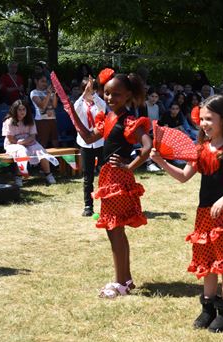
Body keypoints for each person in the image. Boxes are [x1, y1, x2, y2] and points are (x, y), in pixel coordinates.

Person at [150, 95, 223, 332]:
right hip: (203, 214)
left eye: (210, 119)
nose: (204, 124)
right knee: (208, 262)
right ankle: (208, 308)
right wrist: (162, 162)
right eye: (202, 119)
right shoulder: (200, 149)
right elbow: (183, 177)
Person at [67, 69, 152, 298]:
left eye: (116, 94)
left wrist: (129, 166)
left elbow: (147, 147)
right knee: (115, 232)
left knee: (115, 231)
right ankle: (125, 280)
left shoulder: (130, 121)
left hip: (117, 180)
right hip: (108, 178)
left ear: (128, 96)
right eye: (106, 93)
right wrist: (72, 113)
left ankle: (120, 283)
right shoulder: (108, 117)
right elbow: (87, 138)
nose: (110, 98)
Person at [2, 100, 56, 186]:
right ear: (15, 110)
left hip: (28, 141)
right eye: (19, 109)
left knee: (40, 150)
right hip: (13, 144)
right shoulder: (9, 121)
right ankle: (19, 176)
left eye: (24, 109)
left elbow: (32, 136)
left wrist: (25, 141)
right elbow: (10, 138)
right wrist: (21, 143)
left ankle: (48, 174)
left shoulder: (30, 120)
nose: (22, 112)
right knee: (22, 151)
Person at [74, 77, 106, 216]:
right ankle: (88, 205)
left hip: (100, 142)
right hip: (85, 143)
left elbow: (102, 108)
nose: (90, 92)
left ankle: (107, 204)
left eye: (93, 90)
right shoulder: (80, 104)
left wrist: (93, 94)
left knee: (105, 175)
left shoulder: (99, 103)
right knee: (88, 176)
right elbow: (75, 109)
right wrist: (84, 94)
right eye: (87, 89)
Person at [30, 72, 59, 148]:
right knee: (43, 143)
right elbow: (42, 106)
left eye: (46, 81)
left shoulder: (49, 91)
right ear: (36, 81)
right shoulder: (34, 92)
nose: (45, 83)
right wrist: (49, 94)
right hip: (41, 121)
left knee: (55, 142)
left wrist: (55, 93)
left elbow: (55, 106)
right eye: (42, 81)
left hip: (52, 119)